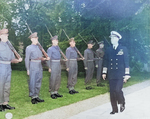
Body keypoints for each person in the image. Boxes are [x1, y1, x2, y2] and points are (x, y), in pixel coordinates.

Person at [102, 31, 130, 114]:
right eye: (111, 38)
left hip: (120, 74)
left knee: (118, 90)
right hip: (111, 73)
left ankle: (122, 102)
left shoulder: (123, 49)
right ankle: (114, 109)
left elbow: (126, 62)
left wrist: (127, 74)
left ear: (118, 39)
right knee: (112, 91)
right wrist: (104, 72)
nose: (112, 39)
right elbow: (106, 61)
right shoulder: (108, 49)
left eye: (113, 38)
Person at [0, 29, 22, 111]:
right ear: (0, 36)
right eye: (4, 35)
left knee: (7, 86)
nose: (6, 37)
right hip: (1, 67)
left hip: (8, 67)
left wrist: (18, 60)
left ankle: (5, 103)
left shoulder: (10, 46)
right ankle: (0, 104)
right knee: (0, 85)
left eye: (7, 35)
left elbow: (12, 59)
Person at [25, 32, 49, 104]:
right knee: (32, 81)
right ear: (31, 39)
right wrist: (28, 69)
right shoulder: (29, 48)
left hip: (39, 65)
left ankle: (37, 95)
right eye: (34, 38)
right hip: (33, 65)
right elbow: (27, 59)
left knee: (39, 80)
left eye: (36, 38)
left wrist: (45, 59)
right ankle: (33, 97)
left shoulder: (39, 47)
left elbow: (41, 57)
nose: (36, 40)